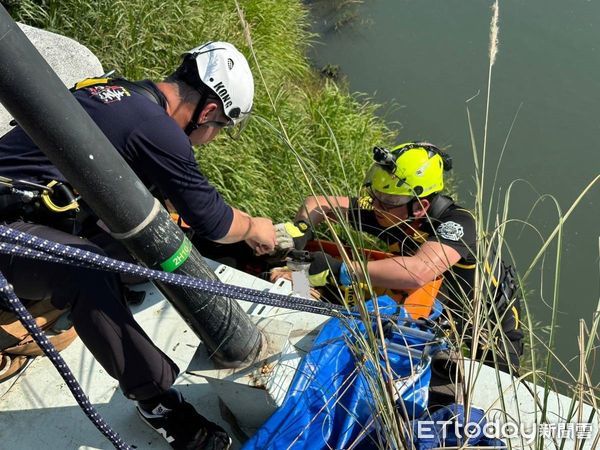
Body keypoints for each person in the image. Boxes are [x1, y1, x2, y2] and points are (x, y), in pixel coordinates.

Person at [0, 41, 276, 449]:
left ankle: (99, 300)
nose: (215, 136)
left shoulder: (116, 93)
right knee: (84, 268)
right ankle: (157, 401)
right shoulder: (157, 129)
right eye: (221, 127)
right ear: (210, 111)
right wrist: (254, 226)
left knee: (135, 237)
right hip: (9, 232)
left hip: (21, 220)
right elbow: (214, 222)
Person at [276, 142, 523, 374]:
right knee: (309, 274)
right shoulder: (393, 211)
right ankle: (300, 294)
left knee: (487, 392)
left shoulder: (459, 224)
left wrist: (342, 270)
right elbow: (319, 204)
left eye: (388, 201)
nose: (376, 207)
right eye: (376, 196)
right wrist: (299, 231)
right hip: (427, 306)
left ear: (420, 206)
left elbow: (416, 271)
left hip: (487, 326)